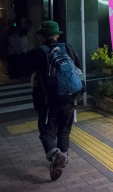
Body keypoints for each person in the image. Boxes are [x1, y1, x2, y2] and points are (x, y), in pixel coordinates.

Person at [30, 21, 83, 181]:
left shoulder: (40, 52)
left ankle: (56, 155)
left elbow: (29, 72)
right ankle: (62, 158)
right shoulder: (68, 48)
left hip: (49, 101)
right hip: (69, 99)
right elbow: (78, 69)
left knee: (46, 132)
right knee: (64, 131)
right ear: (57, 35)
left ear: (42, 36)